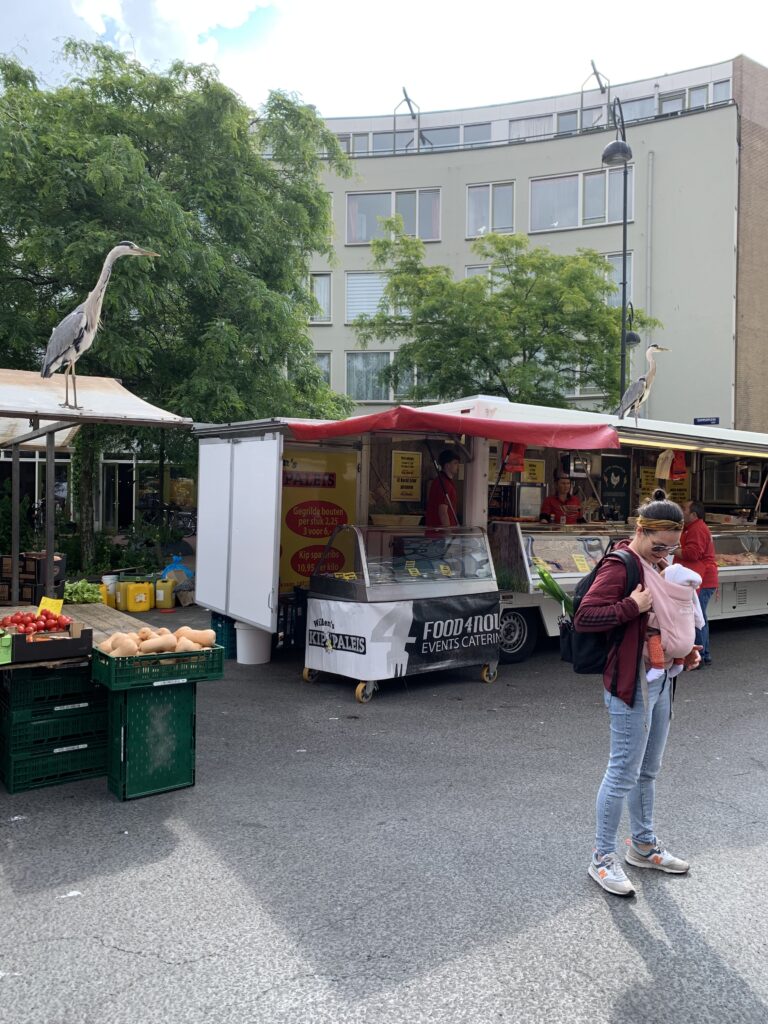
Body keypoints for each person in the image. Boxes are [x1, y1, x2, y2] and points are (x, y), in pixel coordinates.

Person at [574, 489, 699, 897]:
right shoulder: (621, 563)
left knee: (648, 770)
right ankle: (601, 859)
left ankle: (643, 847)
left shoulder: (657, 565)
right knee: (622, 772)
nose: (664, 553)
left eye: (670, 547)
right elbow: (585, 616)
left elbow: (665, 621)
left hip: (661, 678)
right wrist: (631, 605)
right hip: (630, 682)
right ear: (640, 530)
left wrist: (687, 650)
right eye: (658, 545)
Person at [675, 500, 718, 666]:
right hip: (700, 578)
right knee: (700, 617)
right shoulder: (692, 527)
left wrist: (672, 550)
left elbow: (692, 553)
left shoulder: (697, 529)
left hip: (702, 579)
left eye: (684, 508)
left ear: (693, 514)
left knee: (696, 617)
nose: (682, 511)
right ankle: (704, 654)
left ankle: (699, 655)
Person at [644, 563, 705, 682]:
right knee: (676, 641)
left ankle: (657, 668)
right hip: (686, 642)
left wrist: (646, 617)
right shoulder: (686, 601)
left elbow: (660, 619)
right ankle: (679, 663)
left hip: (672, 643)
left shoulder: (670, 602)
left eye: (662, 580)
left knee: (654, 641)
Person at [425, 450, 460, 528]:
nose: (458, 466)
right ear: (447, 465)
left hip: (437, 533)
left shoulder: (442, 481)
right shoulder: (444, 484)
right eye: (455, 463)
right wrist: (448, 535)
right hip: (440, 535)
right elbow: (443, 512)